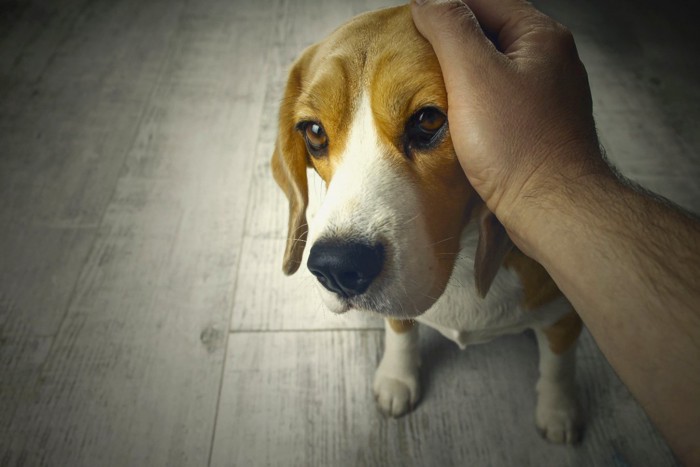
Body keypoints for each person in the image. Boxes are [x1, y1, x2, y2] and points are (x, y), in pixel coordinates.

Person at [409, 0, 700, 463]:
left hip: (525, 262)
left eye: (426, 121)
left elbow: (564, 315)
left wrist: (557, 388)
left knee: (557, 312)